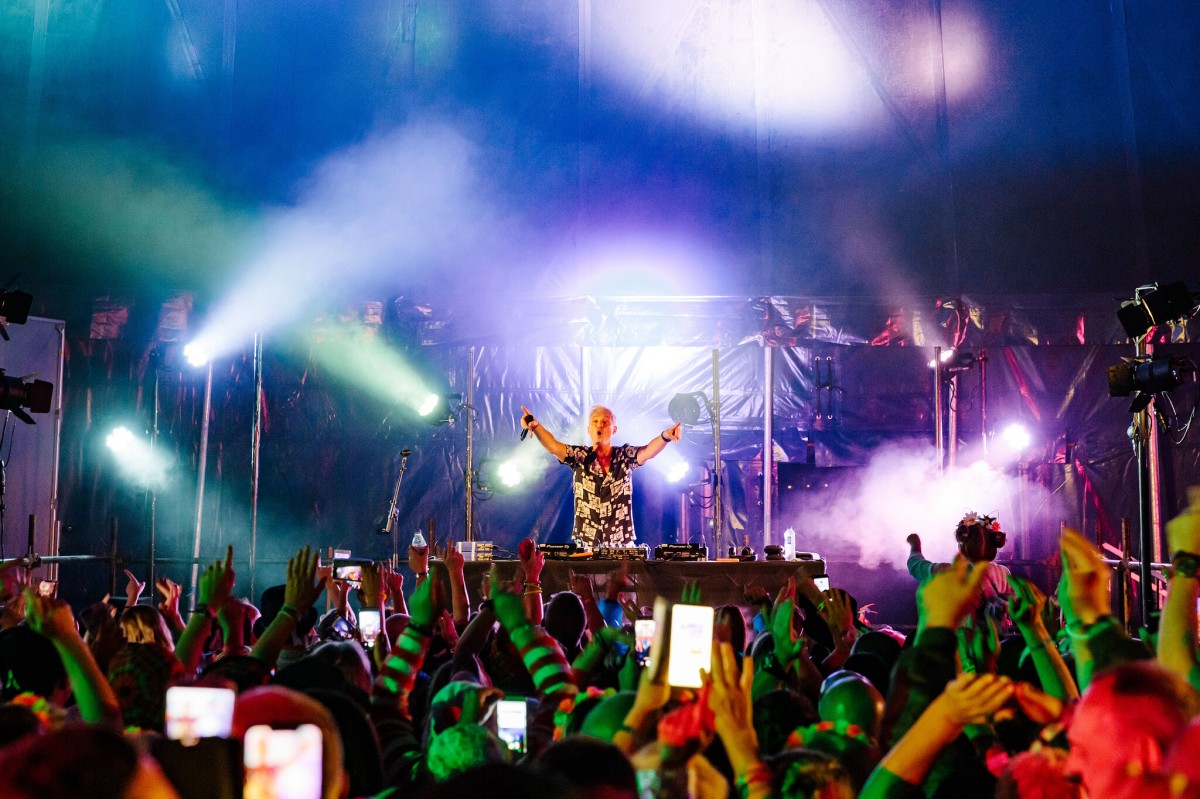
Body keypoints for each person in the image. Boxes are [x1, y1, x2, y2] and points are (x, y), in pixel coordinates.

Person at [520, 404, 681, 548]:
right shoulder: (579, 456)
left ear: (614, 429)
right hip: (587, 545)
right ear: (589, 429)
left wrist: (665, 436)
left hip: (621, 545)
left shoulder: (624, 455)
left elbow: (647, 452)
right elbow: (554, 446)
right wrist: (536, 426)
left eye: (605, 422)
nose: (600, 425)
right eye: (595, 421)